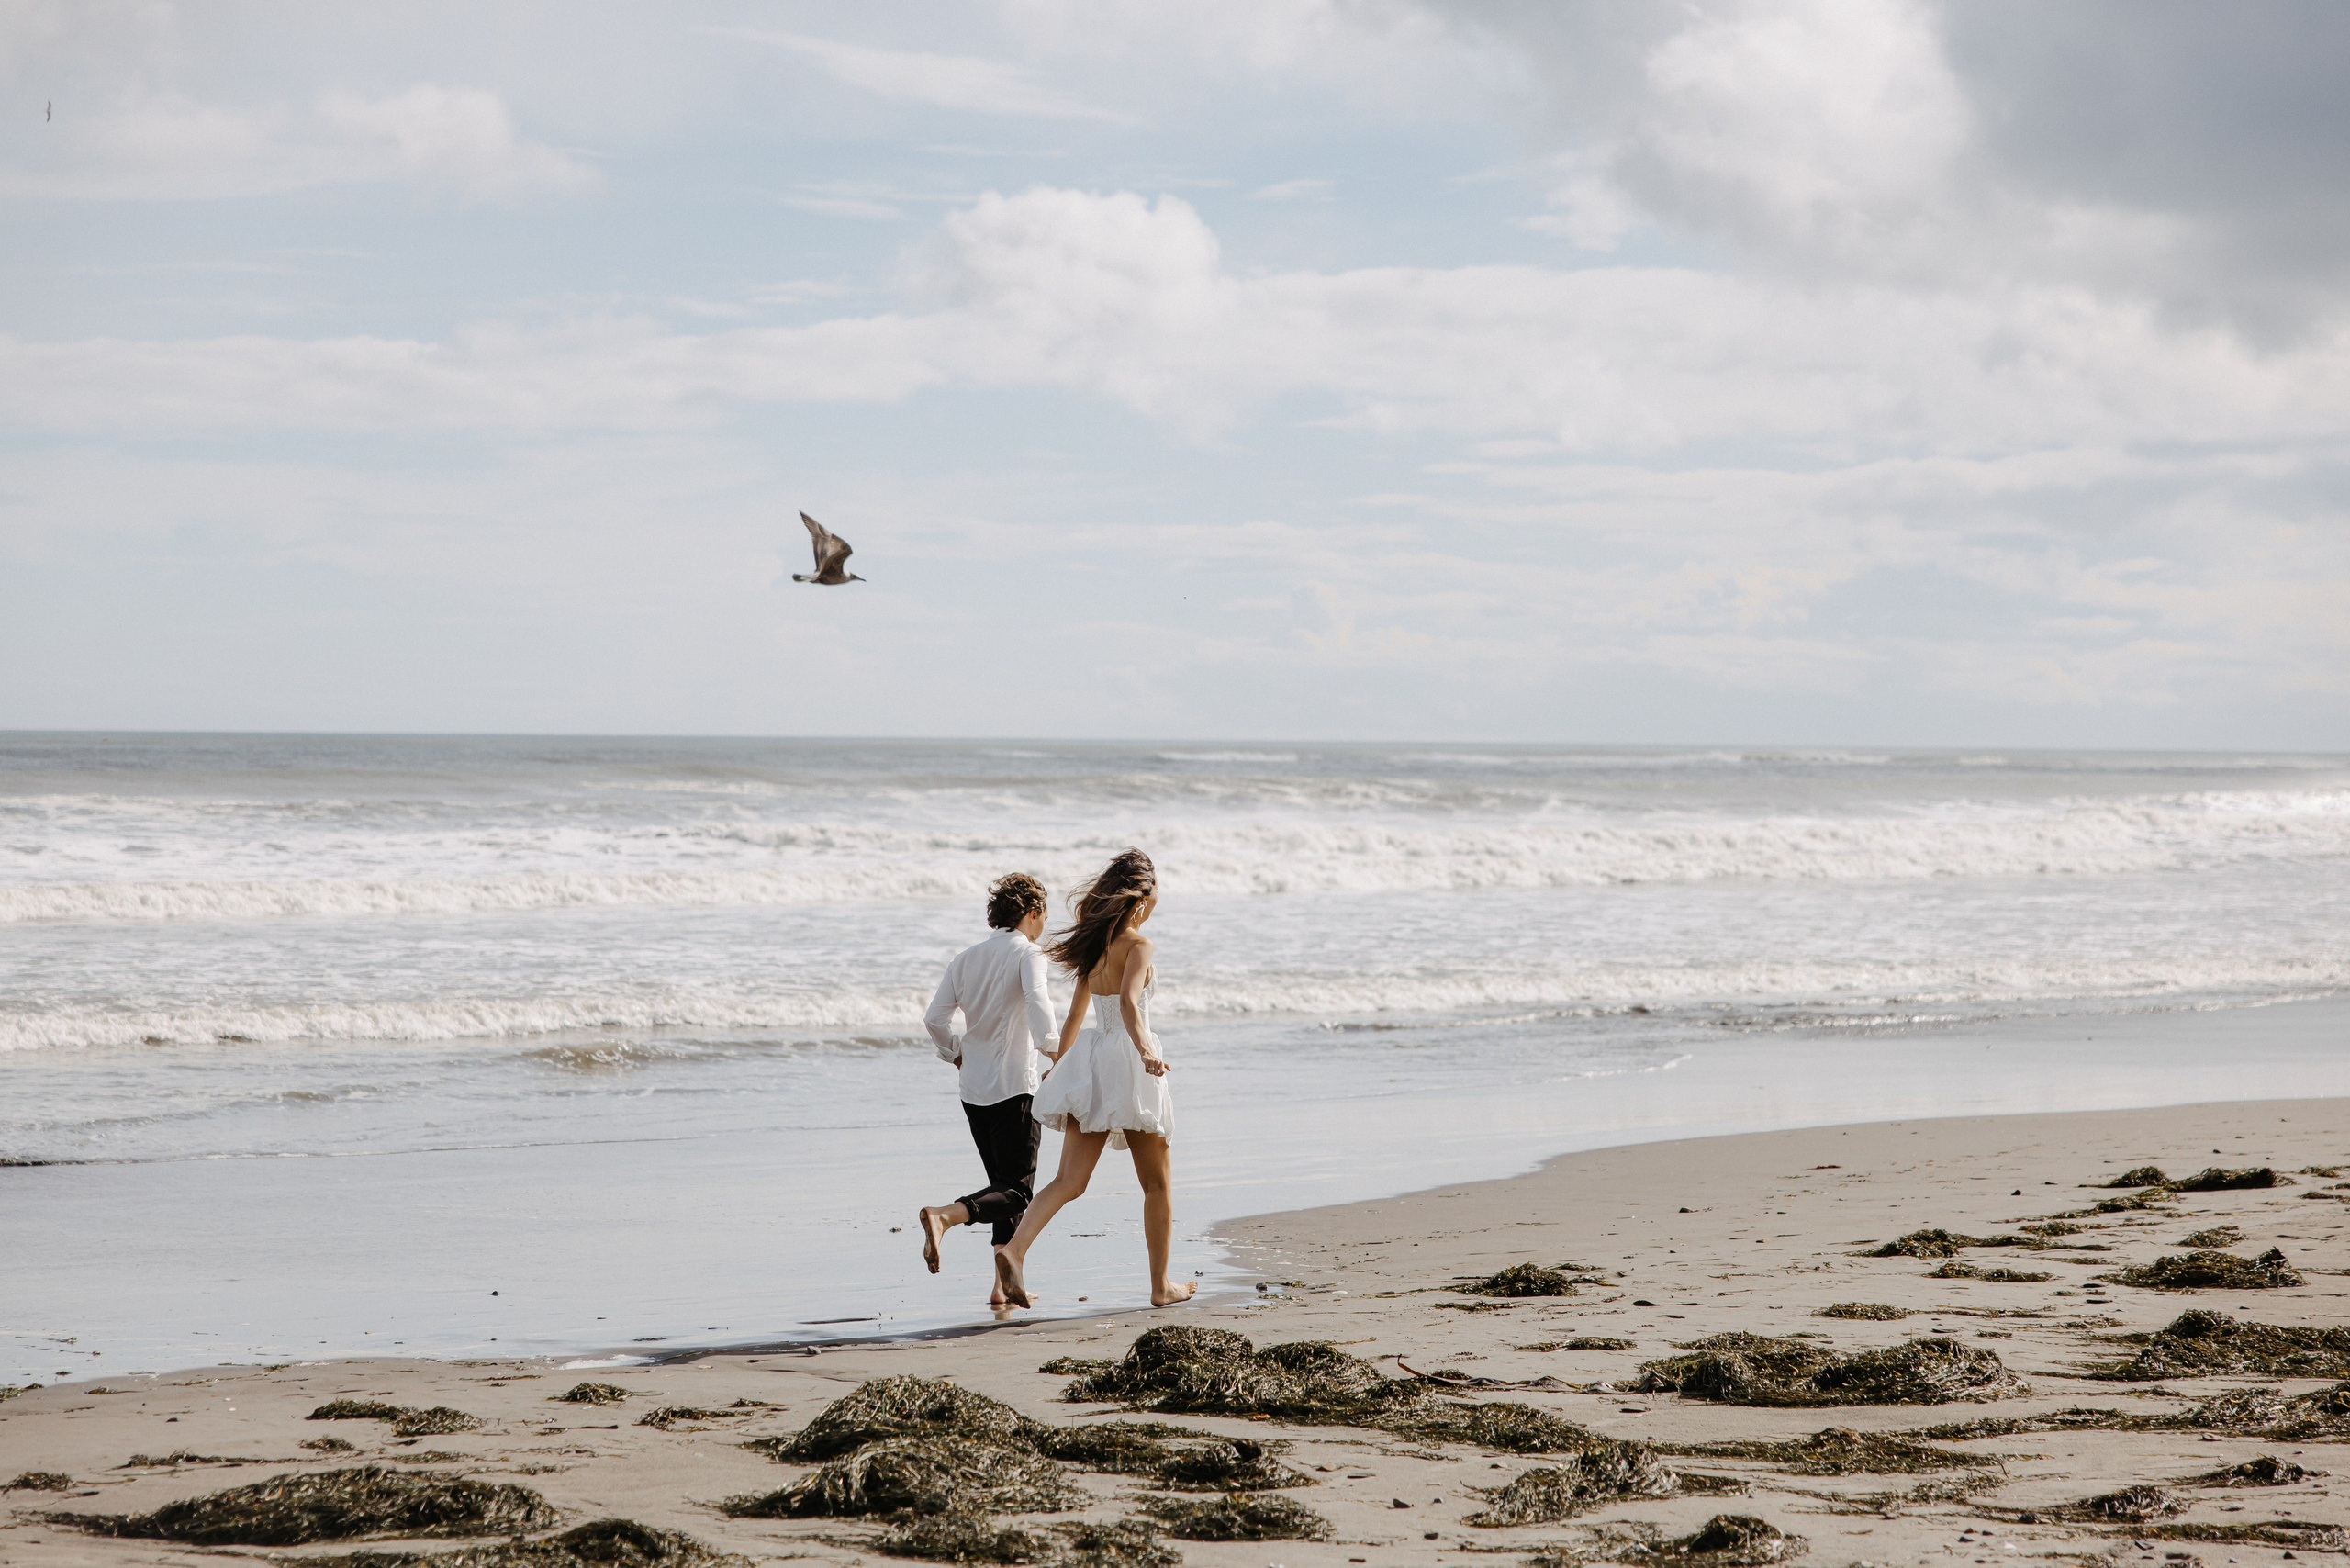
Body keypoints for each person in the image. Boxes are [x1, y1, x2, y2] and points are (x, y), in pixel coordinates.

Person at [995, 847, 1194, 1310]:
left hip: (1091, 1058)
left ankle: (1014, 1250)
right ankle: (1161, 1286)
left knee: (1068, 1180)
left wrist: (1061, 1067)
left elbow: (1074, 1018)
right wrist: (1146, 1051)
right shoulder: (1139, 945)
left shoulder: (1093, 947)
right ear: (1142, 899)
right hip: (1127, 1061)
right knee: (1157, 1185)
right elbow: (1128, 1004)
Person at [919, 872, 1055, 1304]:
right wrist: (1055, 1050)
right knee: (1018, 1190)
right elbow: (1038, 1002)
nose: (1044, 926)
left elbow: (934, 1019)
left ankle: (1001, 1287)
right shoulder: (1028, 954)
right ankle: (945, 1216)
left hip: (973, 1089)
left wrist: (954, 1052)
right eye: (1044, 916)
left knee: (1001, 1184)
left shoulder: (965, 958)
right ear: (1032, 913)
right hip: (1015, 1085)